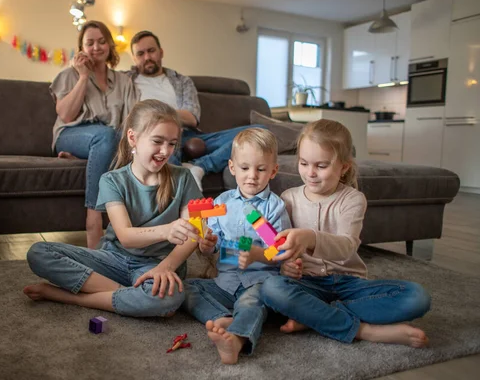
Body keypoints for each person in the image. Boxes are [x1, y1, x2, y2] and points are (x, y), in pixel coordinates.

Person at [24, 100, 216, 317]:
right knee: (39, 252)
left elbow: (193, 233)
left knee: (170, 296)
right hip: (114, 259)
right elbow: (125, 236)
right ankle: (133, 296)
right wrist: (165, 230)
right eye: (157, 141)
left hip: (159, 264)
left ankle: (69, 296)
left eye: (172, 143)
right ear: (133, 138)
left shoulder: (183, 178)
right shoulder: (111, 180)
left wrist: (168, 266)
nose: (165, 151)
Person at [260, 119, 431, 348]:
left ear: (344, 166)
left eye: (321, 166)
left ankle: (315, 316)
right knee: (271, 289)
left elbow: (347, 247)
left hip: (349, 283)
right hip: (306, 283)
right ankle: (364, 330)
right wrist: (284, 265)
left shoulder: (353, 199)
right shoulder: (288, 198)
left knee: (417, 297)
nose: (310, 173)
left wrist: (310, 237)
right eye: (303, 163)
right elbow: (277, 245)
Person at [182, 128, 292, 364]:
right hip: (226, 280)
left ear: (273, 171)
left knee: (251, 303)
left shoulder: (273, 207)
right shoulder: (223, 203)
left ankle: (237, 338)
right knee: (186, 289)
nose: (252, 175)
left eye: (261, 169)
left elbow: (279, 251)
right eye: (244, 168)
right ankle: (224, 318)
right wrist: (207, 244)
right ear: (232, 168)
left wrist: (257, 254)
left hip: (258, 281)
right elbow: (212, 246)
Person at [127, 30, 264, 191]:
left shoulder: (182, 81)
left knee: (259, 132)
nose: (147, 57)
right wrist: (165, 122)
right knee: (166, 148)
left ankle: (199, 167)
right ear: (134, 58)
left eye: (151, 51)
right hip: (156, 138)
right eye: (140, 53)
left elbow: (191, 117)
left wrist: (155, 114)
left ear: (161, 52)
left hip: (190, 135)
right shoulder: (126, 82)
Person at [50, 20, 138, 249]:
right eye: (90, 43)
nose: (96, 47)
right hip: (72, 134)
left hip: (108, 139)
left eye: (101, 41)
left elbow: (131, 121)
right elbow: (66, 115)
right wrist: (82, 76)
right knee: (106, 137)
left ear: (109, 44)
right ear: (82, 47)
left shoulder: (124, 81)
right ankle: (94, 216)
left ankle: (91, 158)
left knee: (113, 139)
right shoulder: (69, 75)